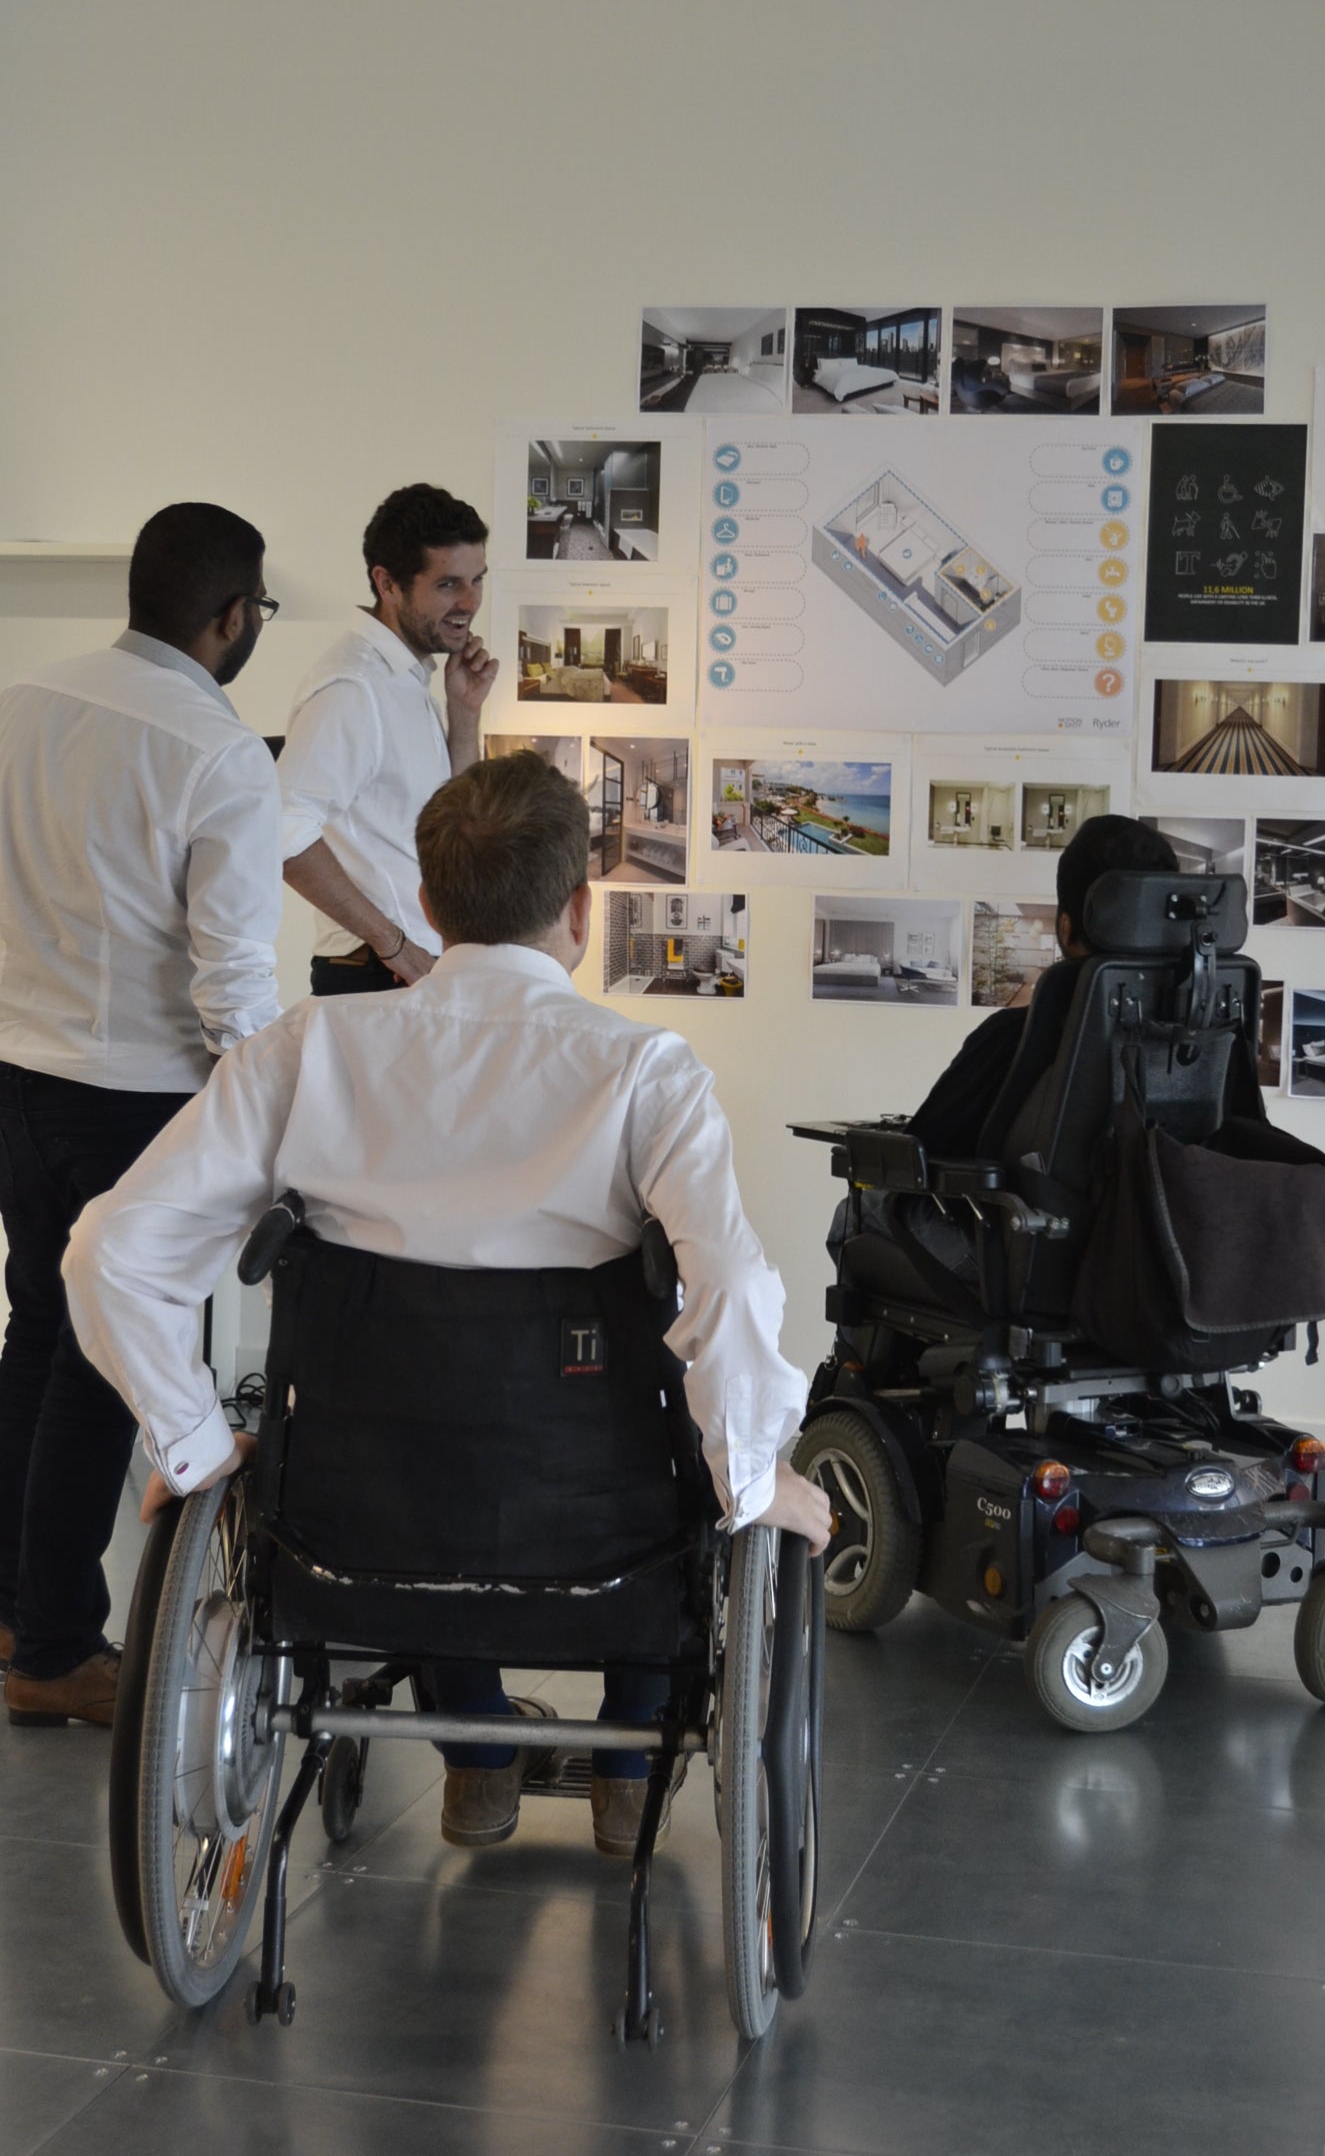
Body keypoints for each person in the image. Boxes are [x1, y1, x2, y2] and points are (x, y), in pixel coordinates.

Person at [64, 750, 830, 1852]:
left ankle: (477, 1758)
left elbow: (109, 1249)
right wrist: (755, 1477)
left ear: (425, 903)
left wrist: (190, 1443)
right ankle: (630, 1759)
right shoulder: (646, 1072)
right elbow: (733, 1285)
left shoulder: (305, 1051)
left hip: (351, 1519)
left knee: (422, 1447)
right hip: (600, 1520)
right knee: (652, 1415)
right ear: (579, 908)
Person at [0, 503, 283, 1727]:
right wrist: (277, 1116)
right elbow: (232, 975)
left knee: (34, 1340)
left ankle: (17, 1611)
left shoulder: (25, 700)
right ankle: (56, 1650)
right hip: (136, 1103)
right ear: (230, 618)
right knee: (100, 1372)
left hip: (16, 1072)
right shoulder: (219, 754)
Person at [830, 816, 1181, 1280]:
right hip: (1160, 1266)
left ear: (1066, 926)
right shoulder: (1205, 1039)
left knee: (857, 1210)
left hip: (1033, 1263)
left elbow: (925, 1148)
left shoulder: (1018, 1034)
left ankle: (867, 1358)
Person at [277, 483, 498, 996]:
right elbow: (281, 828)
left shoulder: (402, 675)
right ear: (388, 584)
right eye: (448, 585)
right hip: (379, 973)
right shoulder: (353, 687)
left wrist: (463, 716)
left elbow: (452, 820)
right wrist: (393, 944)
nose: (470, 601)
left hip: (411, 968)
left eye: (477, 580)